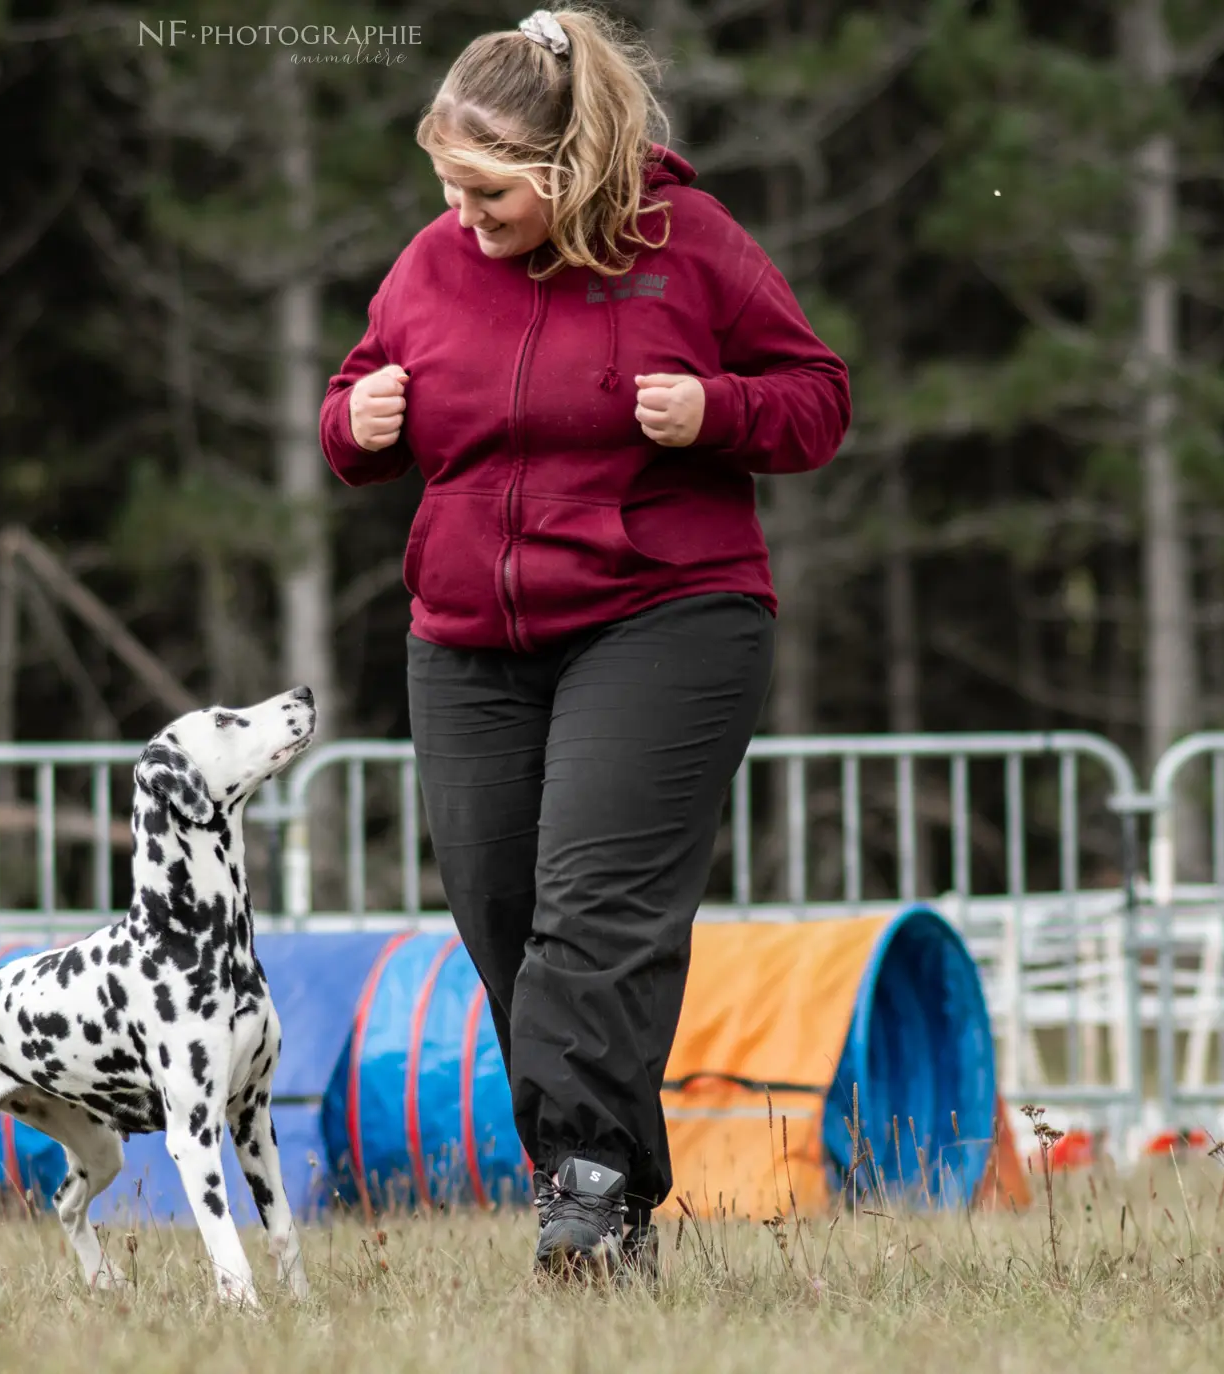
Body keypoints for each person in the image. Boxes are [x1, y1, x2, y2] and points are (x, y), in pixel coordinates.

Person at [319, 6, 850, 1285]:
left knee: (593, 912)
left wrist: (713, 410)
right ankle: (588, 1167)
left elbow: (815, 400)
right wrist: (360, 420)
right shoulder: (428, 263)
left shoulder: (689, 247)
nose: (462, 214)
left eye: (488, 190)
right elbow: (349, 408)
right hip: (466, 639)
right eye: (444, 185)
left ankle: (590, 1192)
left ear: (564, 170)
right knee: (501, 916)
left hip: (662, 615)